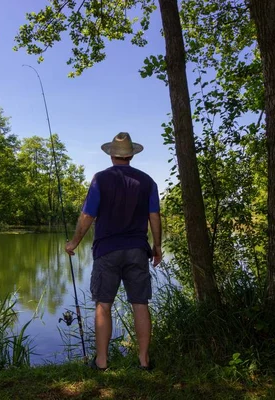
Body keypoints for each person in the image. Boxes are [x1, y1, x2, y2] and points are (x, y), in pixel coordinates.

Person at [65, 132, 162, 371]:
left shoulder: (100, 179)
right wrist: (157, 246)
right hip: (138, 251)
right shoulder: (148, 181)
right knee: (140, 304)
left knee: (103, 305)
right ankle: (143, 361)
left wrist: (74, 242)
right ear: (131, 155)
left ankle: (102, 362)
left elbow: (88, 215)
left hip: (107, 250)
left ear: (112, 155)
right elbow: (154, 217)